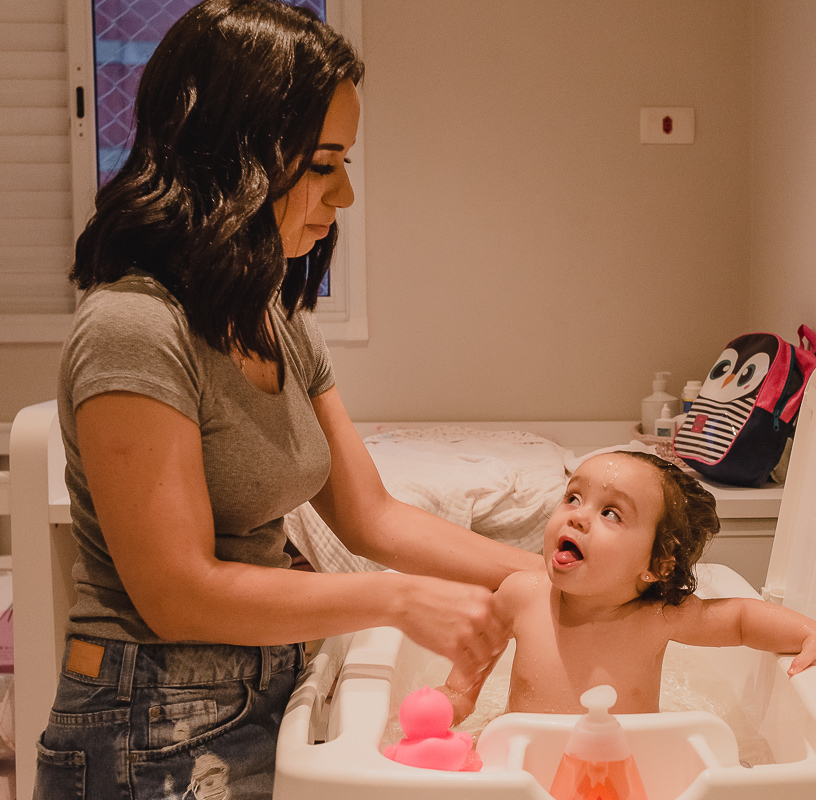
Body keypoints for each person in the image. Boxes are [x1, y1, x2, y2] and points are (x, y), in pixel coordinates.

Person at [37, 2, 540, 798]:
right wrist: (400, 600)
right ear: (235, 157)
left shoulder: (275, 320)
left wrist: (549, 574)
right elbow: (177, 593)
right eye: (322, 164)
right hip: (148, 724)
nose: (344, 195)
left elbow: (371, 517)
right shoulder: (133, 326)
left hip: (263, 690)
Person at [438, 451, 816, 722]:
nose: (578, 516)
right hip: (526, 757)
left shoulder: (658, 617)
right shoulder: (520, 595)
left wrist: (812, 634)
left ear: (656, 564)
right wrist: (457, 697)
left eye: (611, 513)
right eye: (573, 497)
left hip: (624, 768)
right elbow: (478, 648)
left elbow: (740, 619)